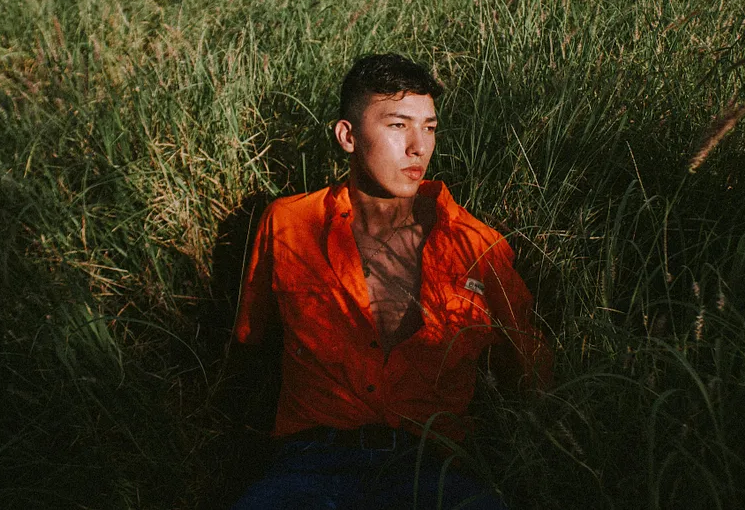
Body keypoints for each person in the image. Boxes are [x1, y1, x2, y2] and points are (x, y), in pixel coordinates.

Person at [229, 53, 552, 510]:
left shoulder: (478, 246)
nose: (419, 146)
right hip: (310, 464)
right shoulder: (288, 223)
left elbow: (530, 372)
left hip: (434, 468)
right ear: (348, 136)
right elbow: (248, 348)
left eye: (430, 127)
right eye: (398, 126)